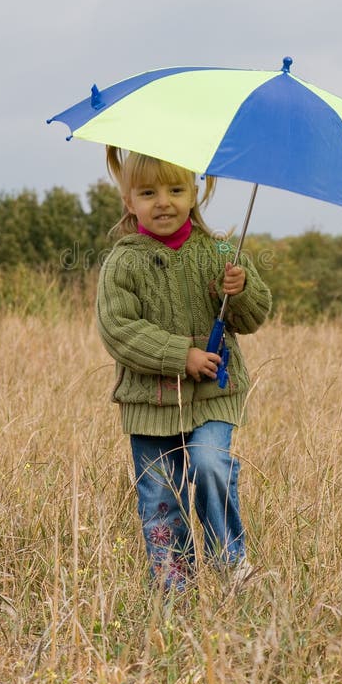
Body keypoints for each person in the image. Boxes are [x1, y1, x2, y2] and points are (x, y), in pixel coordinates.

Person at [96, 147, 271, 591]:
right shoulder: (123, 261)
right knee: (160, 497)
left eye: (176, 189)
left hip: (214, 395)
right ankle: (176, 583)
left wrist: (243, 288)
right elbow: (119, 329)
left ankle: (229, 561)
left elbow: (251, 319)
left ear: (195, 192)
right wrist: (181, 356)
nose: (164, 202)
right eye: (148, 192)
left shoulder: (221, 253)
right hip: (150, 404)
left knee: (210, 464)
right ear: (128, 199)